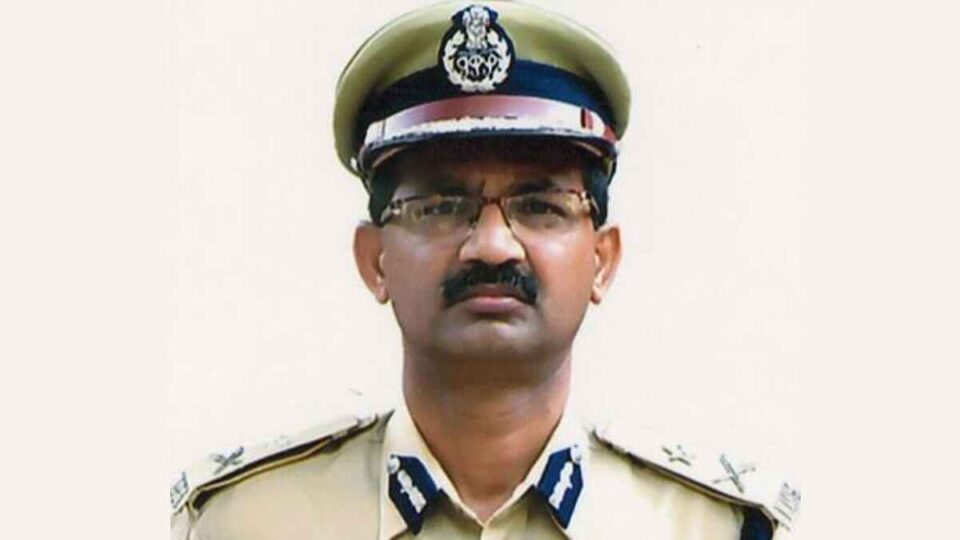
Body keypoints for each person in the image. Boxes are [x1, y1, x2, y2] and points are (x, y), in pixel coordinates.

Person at [170, 2, 800, 538]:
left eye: (541, 206)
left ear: (602, 260)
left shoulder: (711, 527)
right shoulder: (246, 521)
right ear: (374, 260)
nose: (493, 246)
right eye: (440, 206)